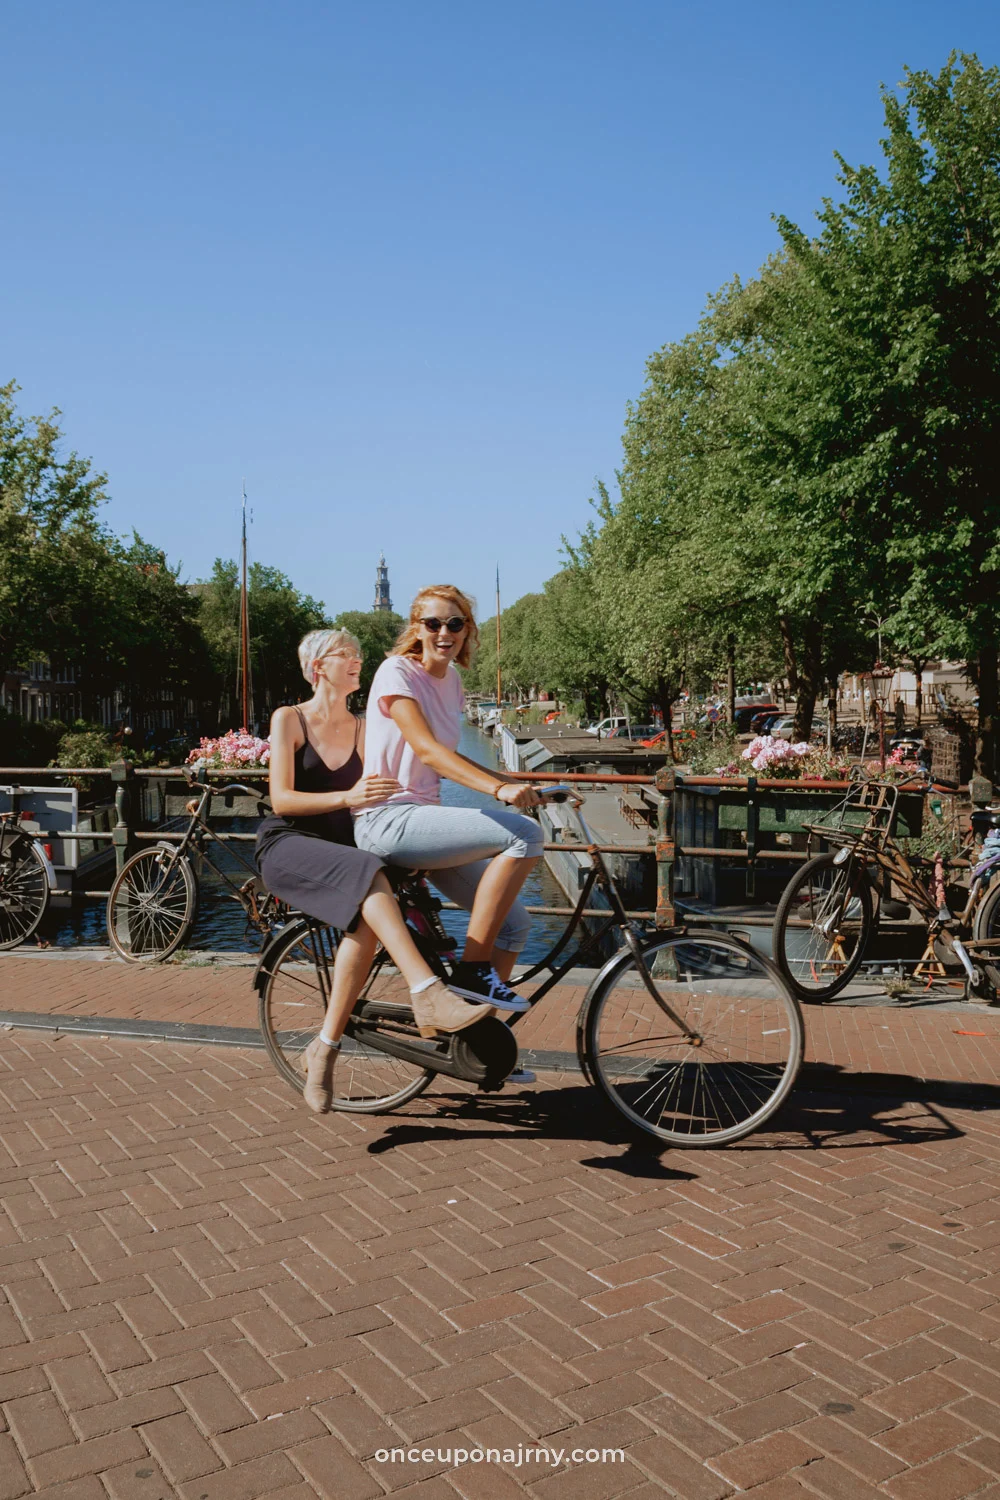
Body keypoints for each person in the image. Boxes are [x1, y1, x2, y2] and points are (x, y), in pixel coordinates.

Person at [255, 627, 492, 1114]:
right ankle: (426, 990)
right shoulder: (290, 718)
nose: (358, 660)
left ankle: (324, 1048)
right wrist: (347, 796)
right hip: (291, 843)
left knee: (369, 912)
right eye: (347, 654)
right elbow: (281, 799)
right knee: (368, 877)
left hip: (348, 851)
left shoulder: (366, 728)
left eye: (359, 653)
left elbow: (405, 775)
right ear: (319, 667)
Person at [353, 586, 544, 1013]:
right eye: (433, 623)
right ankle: (473, 970)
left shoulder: (452, 680)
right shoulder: (396, 671)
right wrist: (499, 791)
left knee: (515, 926)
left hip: (424, 822)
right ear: (416, 629)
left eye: (455, 623)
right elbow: (426, 750)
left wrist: (515, 783)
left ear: (466, 631)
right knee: (524, 836)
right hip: (387, 819)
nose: (445, 632)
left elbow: (450, 754)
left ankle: (476, 1040)